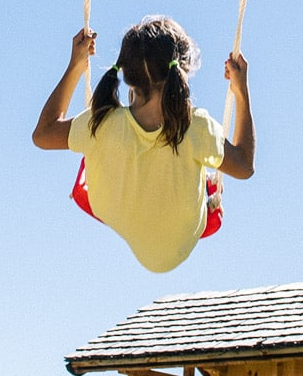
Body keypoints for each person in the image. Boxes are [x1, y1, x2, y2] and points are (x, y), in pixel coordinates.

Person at [31, 17, 254, 272]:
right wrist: (241, 92)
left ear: (126, 73)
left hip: (118, 212)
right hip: (180, 236)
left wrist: (75, 66)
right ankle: (207, 188)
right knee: (200, 165)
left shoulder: (100, 121)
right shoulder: (195, 127)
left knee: (93, 145)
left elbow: (43, 134)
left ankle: (200, 184)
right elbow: (244, 165)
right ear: (182, 69)